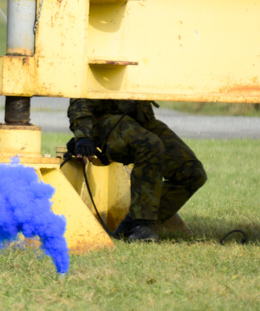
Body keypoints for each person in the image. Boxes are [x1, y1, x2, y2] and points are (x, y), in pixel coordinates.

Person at [67, 99, 207, 242]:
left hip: (141, 121)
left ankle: (130, 225)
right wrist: (83, 136)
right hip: (106, 122)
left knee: (192, 173)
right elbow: (81, 97)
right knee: (149, 145)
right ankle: (142, 225)